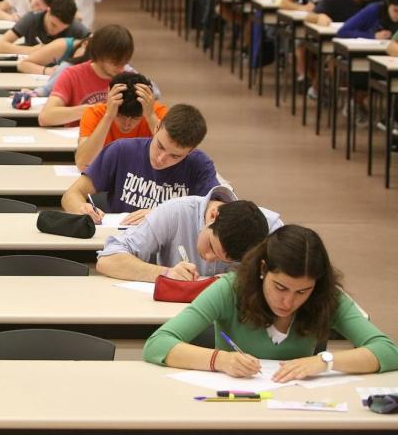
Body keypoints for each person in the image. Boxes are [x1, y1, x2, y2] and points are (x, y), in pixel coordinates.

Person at [143, 225, 398, 379]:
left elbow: (388, 351)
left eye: (302, 292)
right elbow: (157, 344)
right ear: (263, 269)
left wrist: (324, 361)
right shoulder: (230, 290)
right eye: (280, 287)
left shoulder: (326, 296)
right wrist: (219, 360)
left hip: (296, 410)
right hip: (234, 409)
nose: (288, 302)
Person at [61, 104, 219, 224]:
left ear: (191, 151)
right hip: (118, 245)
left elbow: (220, 210)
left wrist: (162, 214)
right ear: (156, 128)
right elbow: (71, 195)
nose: (161, 158)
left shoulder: (199, 164)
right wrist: (81, 208)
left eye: (175, 156)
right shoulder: (121, 150)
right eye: (160, 146)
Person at [97, 185, 282, 281]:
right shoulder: (174, 212)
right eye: (210, 245)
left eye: (223, 260)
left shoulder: (272, 230)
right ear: (213, 216)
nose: (209, 258)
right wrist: (166, 273)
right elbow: (108, 260)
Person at [38, 24, 134, 127]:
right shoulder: (72, 75)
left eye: (124, 63)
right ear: (99, 55)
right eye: (114, 63)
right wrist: (94, 110)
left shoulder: (128, 78)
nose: (121, 68)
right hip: (77, 140)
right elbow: (45, 117)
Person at [75, 71, 165, 171]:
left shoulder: (157, 114)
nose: (127, 124)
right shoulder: (94, 113)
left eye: (135, 118)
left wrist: (150, 116)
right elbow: (83, 164)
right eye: (120, 116)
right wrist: (109, 116)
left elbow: (176, 157)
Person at [0, 0, 91, 72]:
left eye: (62, 29)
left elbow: (94, 43)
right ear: (48, 10)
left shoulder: (75, 26)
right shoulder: (31, 19)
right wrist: (30, 50)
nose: (55, 31)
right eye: (53, 24)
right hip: (30, 70)